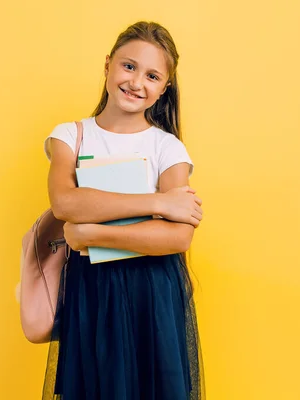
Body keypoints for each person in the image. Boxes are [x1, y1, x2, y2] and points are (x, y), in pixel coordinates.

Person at [41, 21, 205, 400]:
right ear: (107, 66)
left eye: (152, 75)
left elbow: (178, 236)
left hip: (153, 291)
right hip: (93, 289)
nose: (136, 82)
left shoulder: (168, 148)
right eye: (128, 66)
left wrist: (93, 234)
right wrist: (158, 202)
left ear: (164, 87)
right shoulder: (70, 135)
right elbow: (65, 202)